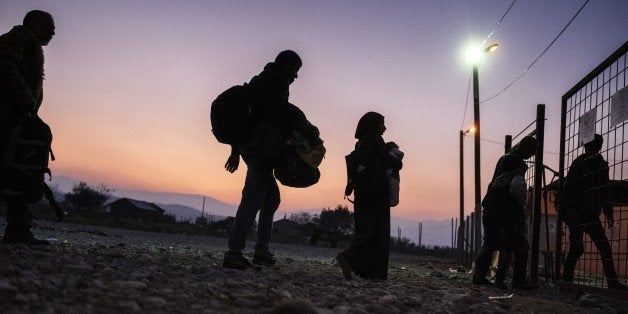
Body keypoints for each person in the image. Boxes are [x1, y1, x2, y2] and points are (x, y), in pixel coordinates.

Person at [222, 50, 323, 269]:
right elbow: (280, 113)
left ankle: (260, 252)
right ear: (286, 65)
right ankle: (234, 253)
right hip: (262, 151)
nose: (296, 76)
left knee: (269, 199)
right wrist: (311, 133)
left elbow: (253, 118)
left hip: (253, 148)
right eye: (295, 69)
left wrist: (236, 150)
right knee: (253, 198)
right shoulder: (276, 82)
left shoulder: (260, 82)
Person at [0, 10, 56, 245]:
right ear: (33, 24)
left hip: (16, 118)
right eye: (48, 25)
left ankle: (18, 229)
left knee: (20, 169)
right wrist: (26, 100)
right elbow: (3, 64)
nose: (53, 31)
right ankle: (18, 229)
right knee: (17, 168)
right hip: (7, 117)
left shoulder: (30, 44)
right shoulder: (20, 37)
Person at [336, 112, 402, 280]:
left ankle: (361, 267)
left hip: (363, 191)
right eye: (382, 124)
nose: (385, 128)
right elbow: (388, 161)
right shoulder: (374, 139)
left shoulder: (362, 142)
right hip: (376, 192)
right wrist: (398, 160)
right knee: (377, 231)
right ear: (374, 124)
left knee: (366, 229)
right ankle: (350, 258)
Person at [560, 134, 627, 290]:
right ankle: (567, 282)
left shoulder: (597, 164)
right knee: (580, 248)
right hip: (578, 212)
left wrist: (608, 213)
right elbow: (570, 189)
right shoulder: (582, 163)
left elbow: (603, 190)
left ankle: (611, 282)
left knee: (602, 247)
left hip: (587, 213)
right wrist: (570, 209)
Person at [472, 136, 538, 290]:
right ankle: (511, 281)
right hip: (505, 209)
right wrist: (521, 203)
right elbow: (516, 186)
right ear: (527, 150)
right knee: (513, 245)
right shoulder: (518, 163)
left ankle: (479, 276)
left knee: (489, 242)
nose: (532, 156)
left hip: (490, 206)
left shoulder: (504, 159)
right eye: (532, 151)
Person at [385, 141, 403, 207]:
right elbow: (402, 154)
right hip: (392, 177)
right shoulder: (392, 153)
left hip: (391, 177)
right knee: (394, 198)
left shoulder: (389, 154)